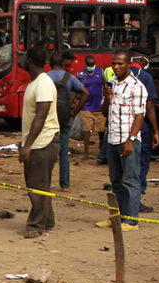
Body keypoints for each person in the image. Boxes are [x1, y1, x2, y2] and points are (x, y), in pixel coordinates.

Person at [97, 49, 146, 233]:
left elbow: (139, 116)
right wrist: (107, 98)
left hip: (128, 140)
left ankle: (132, 221)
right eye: (114, 63)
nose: (116, 67)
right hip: (112, 138)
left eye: (120, 64)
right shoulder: (113, 85)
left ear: (128, 64)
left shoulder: (136, 86)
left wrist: (130, 140)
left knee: (130, 181)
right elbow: (104, 112)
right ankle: (116, 217)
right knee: (116, 181)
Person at [19, 46, 60, 239]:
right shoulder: (35, 82)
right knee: (40, 183)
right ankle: (48, 220)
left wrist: (28, 145)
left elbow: (41, 115)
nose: (19, 58)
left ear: (29, 61)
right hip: (36, 141)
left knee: (37, 185)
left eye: (23, 55)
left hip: (43, 142)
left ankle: (36, 225)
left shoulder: (43, 83)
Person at [47, 50, 88, 191]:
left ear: (50, 63)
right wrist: (74, 112)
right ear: (63, 63)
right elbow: (85, 93)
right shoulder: (69, 78)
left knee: (48, 150)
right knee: (63, 152)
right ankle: (65, 185)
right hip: (65, 118)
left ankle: (45, 182)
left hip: (48, 120)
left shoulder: (45, 77)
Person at [130, 50, 159, 212]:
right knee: (141, 164)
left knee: (126, 165)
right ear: (142, 59)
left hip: (122, 128)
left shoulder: (118, 74)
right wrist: (156, 130)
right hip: (141, 128)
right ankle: (136, 201)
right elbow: (149, 106)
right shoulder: (145, 77)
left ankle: (123, 199)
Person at [77, 54, 107, 157]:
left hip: (99, 106)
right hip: (86, 107)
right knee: (86, 130)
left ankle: (101, 148)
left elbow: (105, 85)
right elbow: (77, 89)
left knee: (101, 130)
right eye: (89, 65)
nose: (91, 67)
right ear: (86, 64)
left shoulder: (101, 72)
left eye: (92, 65)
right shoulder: (80, 74)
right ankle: (86, 152)